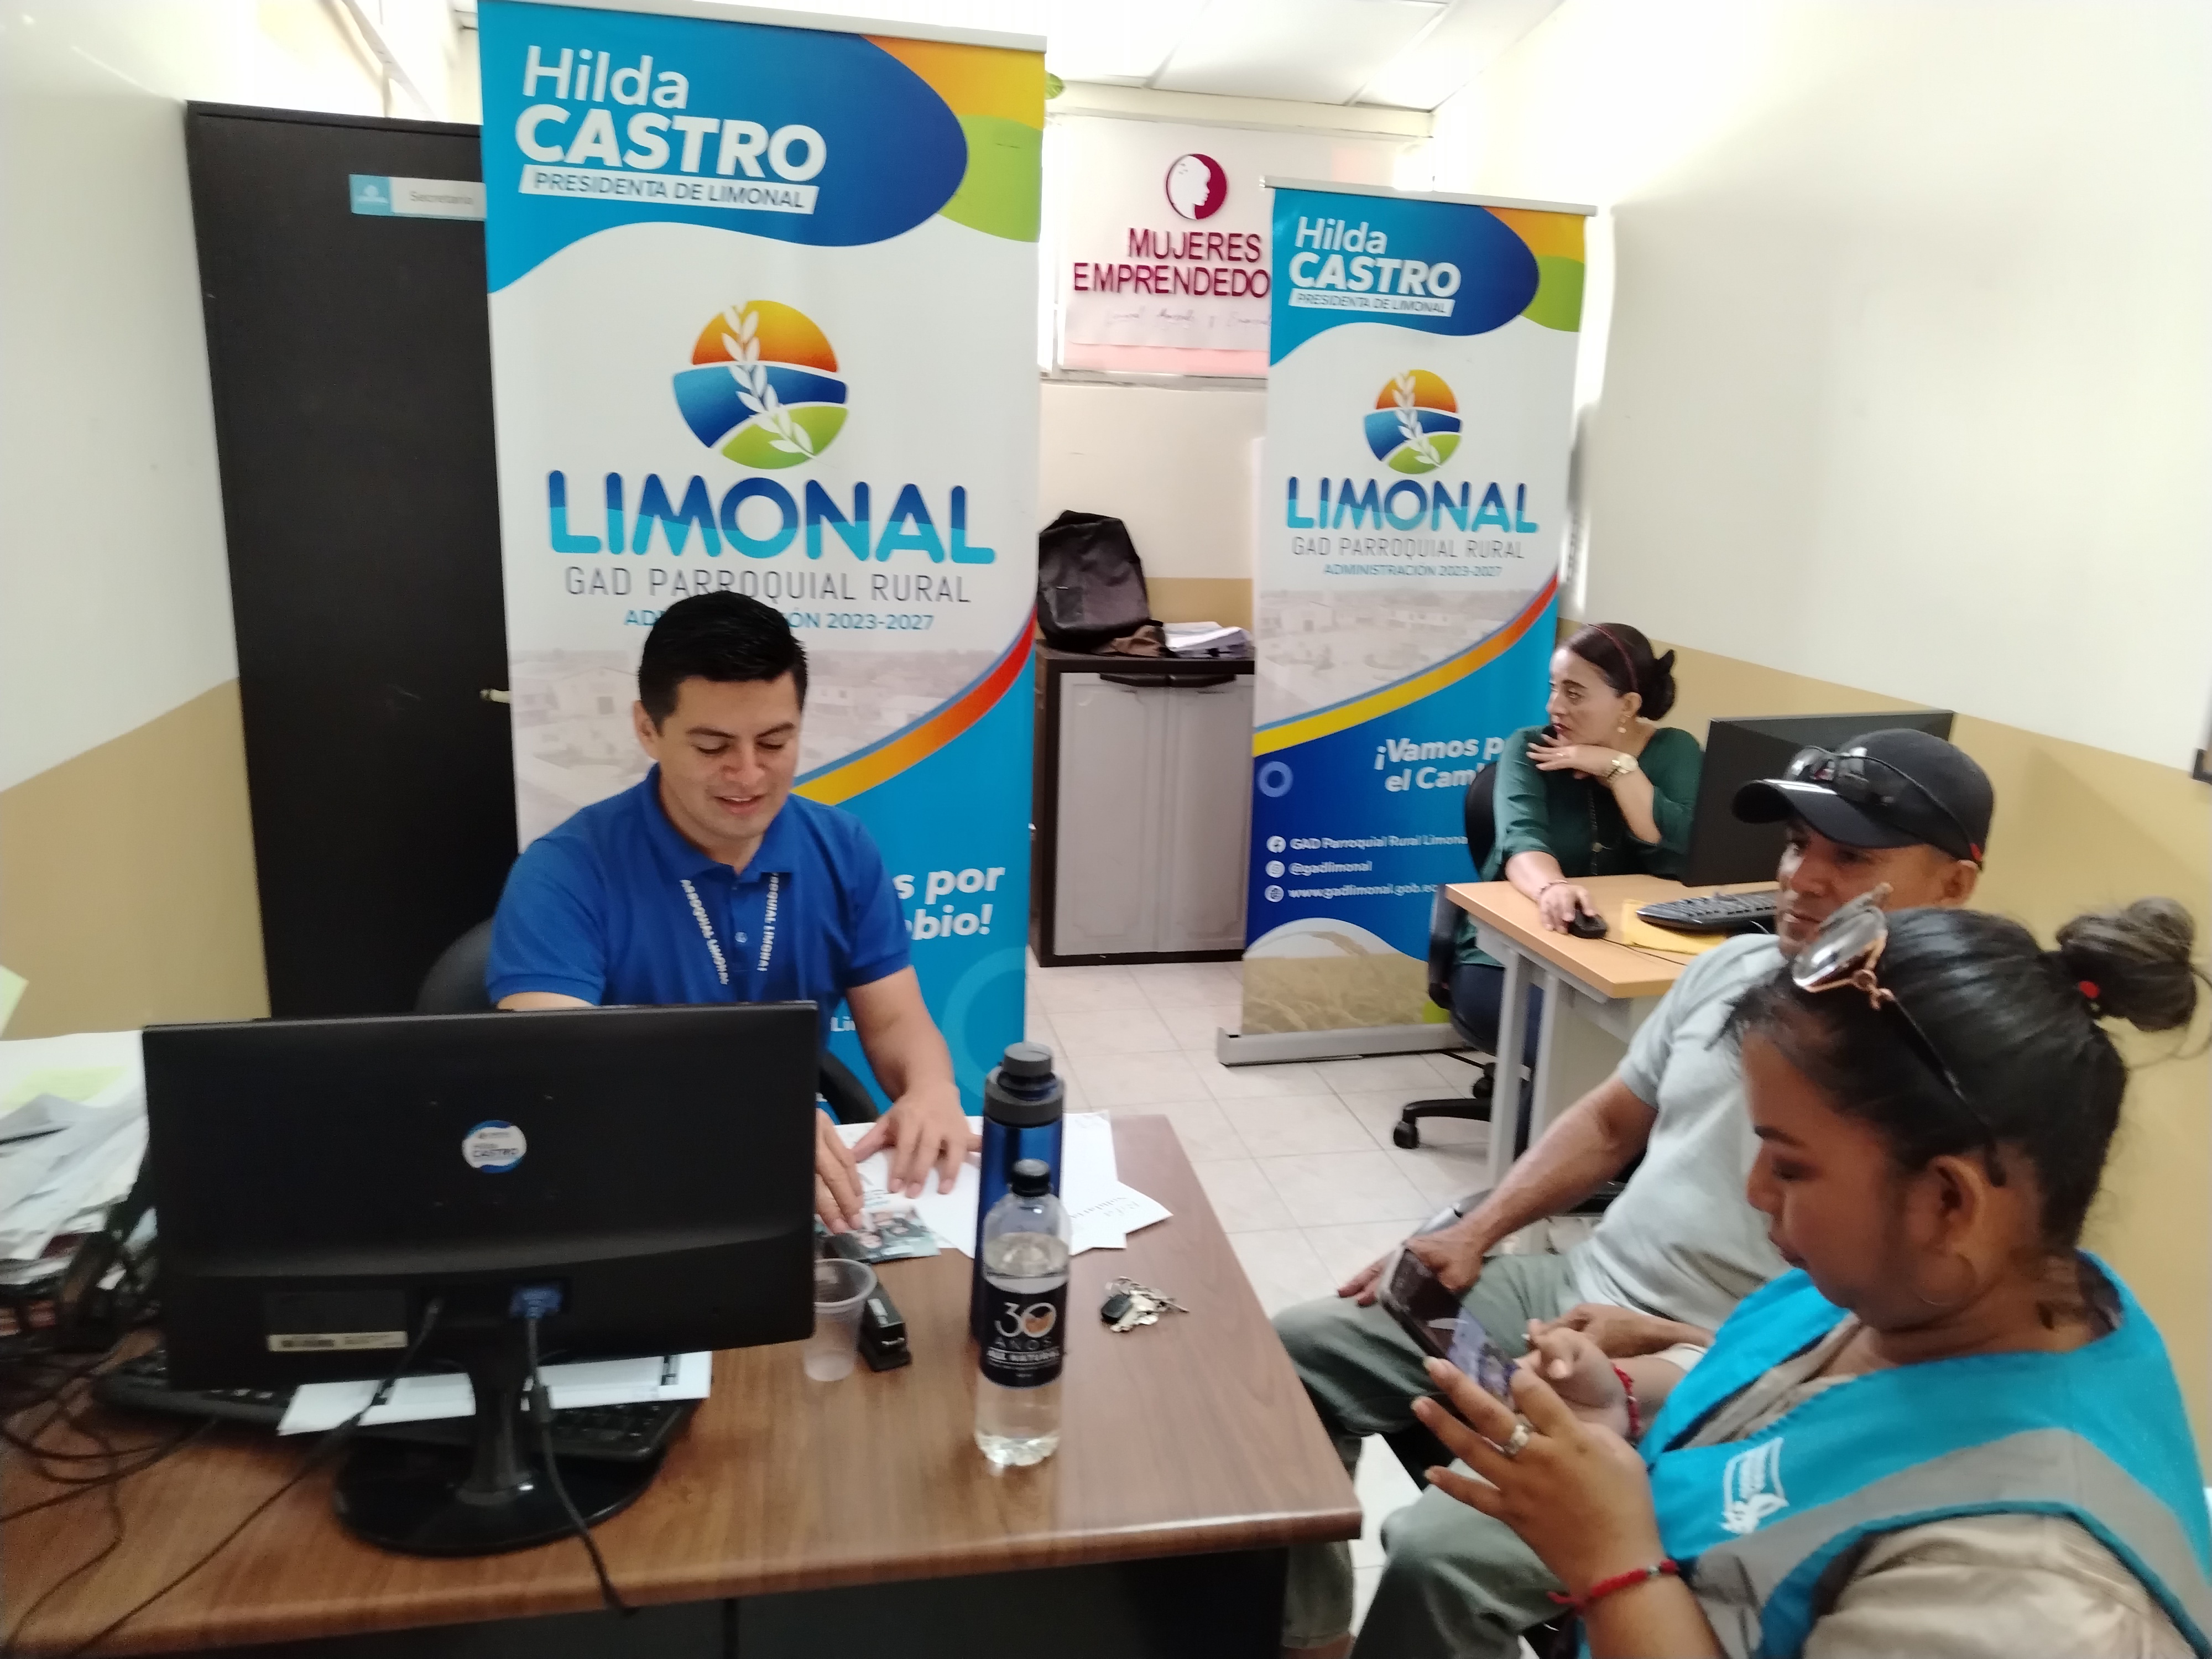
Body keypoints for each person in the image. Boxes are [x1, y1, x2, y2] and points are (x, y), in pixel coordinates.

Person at [1275, 727, 1995, 1659]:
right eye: (1796, 846)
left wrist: (1670, 1345)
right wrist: (1475, 1229)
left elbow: (1892, 1353)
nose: (1803, 879)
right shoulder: (1731, 971)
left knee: (1437, 1555)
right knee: (1300, 1353)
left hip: (1721, 1379)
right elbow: (1614, 1122)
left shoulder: (1958, 1075)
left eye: (1852, 859)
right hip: (1576, 1297)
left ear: (1955, 885)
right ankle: (1311, 1636)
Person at [1416, 896, 2211, 1658]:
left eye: (1790, 1166)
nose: (1755, 1190)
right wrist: (1628, 1398)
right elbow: (1813, 1410)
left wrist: (1612, 1566)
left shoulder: (2028, 1593)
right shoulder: (1913, 1293)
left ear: (1946, 1202)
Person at [486, 592, 971, 1235]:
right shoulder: (565, 871)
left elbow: (897, 1022)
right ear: (647, 729)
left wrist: (932, 1088)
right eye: (713, 746)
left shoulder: (842, 848)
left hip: (792, 1185)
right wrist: (745, 1117)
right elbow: (558, 1068)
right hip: (634, 1180)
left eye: (774, 741)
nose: (748, 775)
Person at [1451, 623, 1700, 1058]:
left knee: (1680, 1047)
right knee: (1577, 1050)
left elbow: (1680, 853)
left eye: (1574, 693)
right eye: (1554, 689)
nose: (1555, 707)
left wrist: (1618, 769)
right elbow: (1521, 843)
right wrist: (1553, 888)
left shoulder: (1674, 750)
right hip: (1512, 957)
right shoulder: (1529, 748)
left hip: (1630, 960)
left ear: (1628, 705)